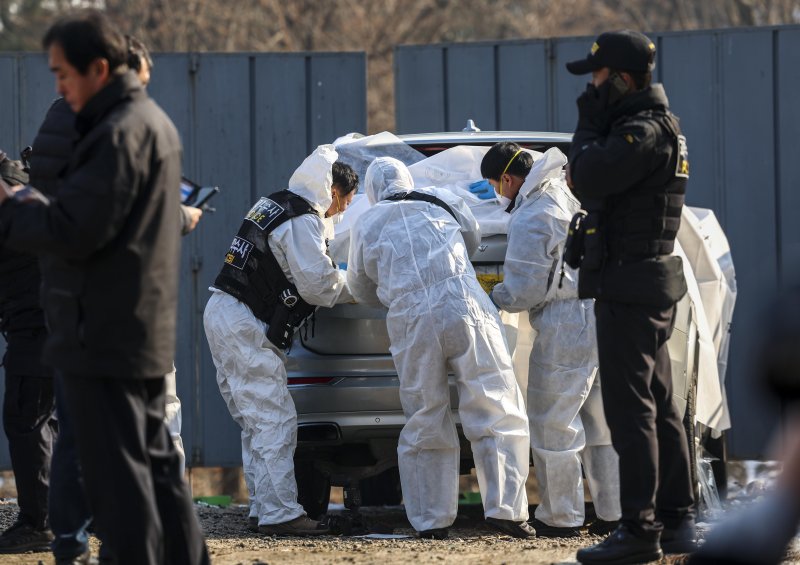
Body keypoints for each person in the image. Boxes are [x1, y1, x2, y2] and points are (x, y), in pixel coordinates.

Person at [0, 11, 208, 564]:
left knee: (119, 474)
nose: (59, 88)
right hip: (133, 329)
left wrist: (14, 203)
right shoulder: (145, 122)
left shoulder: (112, 133)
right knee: (156, 463)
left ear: (100, 68)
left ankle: (81, 547)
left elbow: (74, 231)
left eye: (63, 75)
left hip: (105, 335)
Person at [347, 156, 534, 540]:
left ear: (372, 191)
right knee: (496, 405)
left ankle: (432, 520)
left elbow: (361, 286)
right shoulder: (440, 198)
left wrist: (396, 288)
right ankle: (508, 512)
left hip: (411, 318)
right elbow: (473, 238)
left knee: (425, 414)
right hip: (465, 302)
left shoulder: (367, 222)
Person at [565, 30, 695, 564]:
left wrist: (589, 123)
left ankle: (640, 530)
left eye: (597, 78)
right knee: (660, 405)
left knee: (631, 408)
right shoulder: (654, 128)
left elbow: (586, 176)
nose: (591, 87)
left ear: (620, 79)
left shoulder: (641, 133)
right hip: (643, 282)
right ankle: (676, 521)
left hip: (631, 283)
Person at [204, 147, 357, 536]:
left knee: (256, 421)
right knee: (274, 418)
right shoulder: (303, 218)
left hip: (224, 312)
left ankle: (264, 507)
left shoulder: (275, 204)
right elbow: (318, 284)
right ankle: (281, 514)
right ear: (333, 191)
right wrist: (355, 283)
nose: (340, 212)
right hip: (243, 322)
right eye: (344, 202)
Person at [480, 142, 621, 538]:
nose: (497, 192)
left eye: (494, 184)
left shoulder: (533, 215)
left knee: (553, 421)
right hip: (599, 312)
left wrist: (491, 297)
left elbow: (524, 288)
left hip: (566, 323)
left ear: (507, 179)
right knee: (600, 422)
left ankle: (561, 516)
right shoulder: (562, 193)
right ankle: (614, 513)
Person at [0, 155, 57, 555]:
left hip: (37, 331)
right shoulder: (33, 190)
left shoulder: (18, 203)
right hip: (52, 326)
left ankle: (39, 524)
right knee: (47, 422)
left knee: (28, 420)